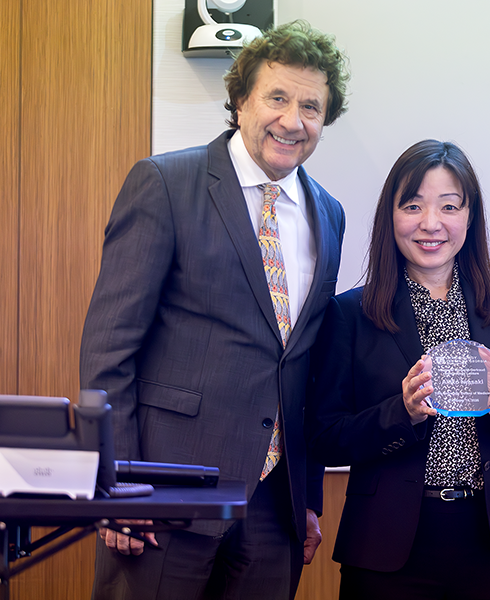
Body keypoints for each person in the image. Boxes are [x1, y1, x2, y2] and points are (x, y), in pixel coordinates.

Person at [79, 20, 349, 600]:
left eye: (312, 106)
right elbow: (108, 351)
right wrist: (115, 484)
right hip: (162, 495)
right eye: (277, 97)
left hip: (276, 512)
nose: (292, 120)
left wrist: (307, 496)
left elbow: (306, 369)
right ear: (241, 100)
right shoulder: (165, 183)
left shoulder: (330, 214)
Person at [307, 140, 490, 599]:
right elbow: (324, 437)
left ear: (469, 217)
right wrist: (404, 412)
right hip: (387, 547)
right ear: (390, 217)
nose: (431, 224)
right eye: (413, 205)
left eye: (449, 206)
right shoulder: (351, 314)